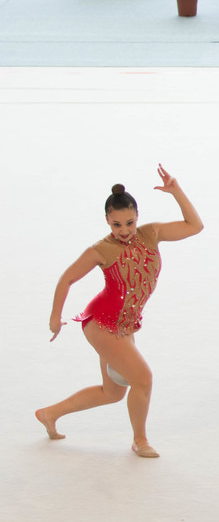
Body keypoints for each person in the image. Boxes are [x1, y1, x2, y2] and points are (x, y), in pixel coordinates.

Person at [37, 166, 204, 458]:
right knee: (143, 379)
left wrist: (176, 191)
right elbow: (67, 279)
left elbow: (194, 226)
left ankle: (49, 413)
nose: (124, 231)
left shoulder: (151, 233)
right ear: (107, 221)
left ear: (137, 216)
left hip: (125, 325)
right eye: (116, 225)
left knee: (112, 392)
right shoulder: (101, 249)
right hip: (101, 323)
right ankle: (140, 439)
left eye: (129, 223)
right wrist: (54, 318)